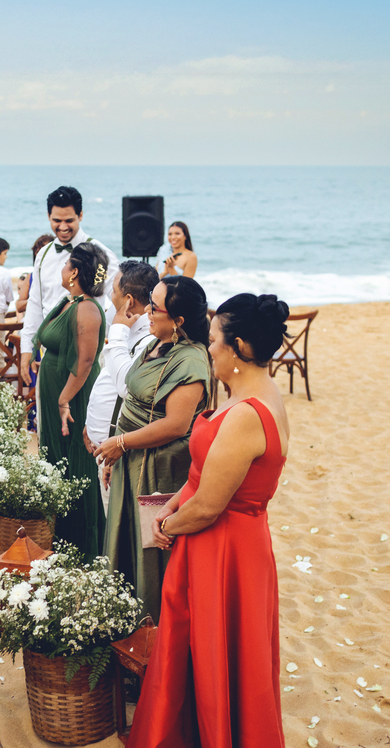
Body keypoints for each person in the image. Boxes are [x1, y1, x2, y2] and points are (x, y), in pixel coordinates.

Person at [128, 294, 291, 748]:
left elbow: (210, 505)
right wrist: (172, 502)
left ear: (238, 346)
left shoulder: (245, 415)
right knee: (215, 654)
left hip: (222, 549)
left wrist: (164, 527)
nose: (208, 348)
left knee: (213, 649)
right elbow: (204, 476)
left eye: (215, 340)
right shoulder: (257, 392)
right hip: (230, 541)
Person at [94, 276, 211, 621]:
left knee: (150, 555)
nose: (146, 311)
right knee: (124, 542)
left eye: (155, 307)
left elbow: (176, 424)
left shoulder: (190, 362)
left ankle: (151, 637)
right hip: (131, 460)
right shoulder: (154, 344)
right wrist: (117, 450)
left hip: (158, 469)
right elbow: (131, 399)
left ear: (179, 322)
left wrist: (120, 443)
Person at [32, 243, 107, 555]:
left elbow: (86, 362)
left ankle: (81, 543)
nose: (61, 270)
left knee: (75, 465)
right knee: (56, 461)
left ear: (74, 272)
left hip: (72, 397)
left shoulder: (87, 308)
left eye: (65, 266)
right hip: (55, 391)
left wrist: (64, 400)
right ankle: (59, 533)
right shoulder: (69, 301)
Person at [20, 186, 119, 385]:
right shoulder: (44, 254)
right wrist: (26, 348)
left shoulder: (101, 254)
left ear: (80, 215)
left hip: (85, 355)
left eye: (69, 220)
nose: (63, 227)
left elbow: (119, 299)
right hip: (48, 353)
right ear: (48, 216)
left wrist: (101, 330)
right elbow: (35, 303)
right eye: (57, 221)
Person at [85, 260, 160, 449]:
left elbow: (128, 387)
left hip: (119, 447)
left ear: (129, 301)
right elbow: (109, 374)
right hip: (104, 440)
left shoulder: (150, 339)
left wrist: (117, 332)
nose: (110, 296)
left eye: (113, 291)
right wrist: (91, 424)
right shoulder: (129, 328)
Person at [16, 234, 54, 317]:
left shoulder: (64, 274)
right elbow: (19, 306)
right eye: (37, 252)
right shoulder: (31, 277)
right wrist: (36, 299)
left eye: (44, 251)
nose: (40, 255)